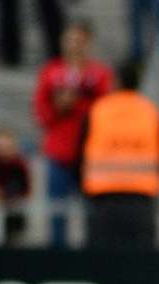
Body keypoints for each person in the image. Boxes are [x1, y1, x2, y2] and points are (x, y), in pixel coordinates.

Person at [33, 19, 114, 247]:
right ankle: (57, 260)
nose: (72, 45)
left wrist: (75, 104)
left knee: (92, 214)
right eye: (68, 39)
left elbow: (104, 111)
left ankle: (91, 258)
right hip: (58, 153)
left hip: (89, 155)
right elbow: (41, 111)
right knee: (57, 213)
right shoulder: (51, 71)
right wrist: (59, 108)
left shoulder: (99, 74)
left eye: (78, 40)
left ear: (88, 42)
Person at [78, 63, 159, 251]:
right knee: (141, 264)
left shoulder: (98, 110)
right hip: (141, 201)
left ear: (116, 82)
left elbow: (80, 153)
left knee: (101, 263)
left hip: (102, 200)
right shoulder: (151, 111)